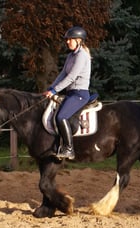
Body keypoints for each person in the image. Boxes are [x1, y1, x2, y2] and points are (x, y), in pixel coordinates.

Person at [43, 26, 91, 160]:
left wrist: (54, 90)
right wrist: (50, 88)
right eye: (67, 40)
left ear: (79, 41)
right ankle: (58, 146)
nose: (67, 42)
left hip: (80, 94)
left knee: (61, 117)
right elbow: (63, 73)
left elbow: (71, 77)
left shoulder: (82, 55)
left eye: (70, 40)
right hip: (71, 93)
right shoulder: (71, 55)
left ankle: (69, 149)